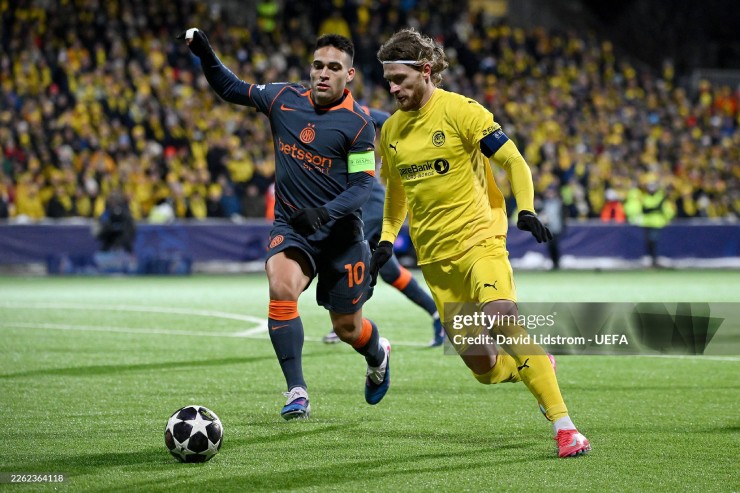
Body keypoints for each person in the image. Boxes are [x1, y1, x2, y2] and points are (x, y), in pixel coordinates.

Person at [372, 28, 590, 458]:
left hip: (480, 240)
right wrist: (386, 239)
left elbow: (513, 160)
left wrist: (526, 208)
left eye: (400, 79)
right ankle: (533, 364)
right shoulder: (392, 130)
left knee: (503, 316)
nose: (393, 89)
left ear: (426, 71)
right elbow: (397, 193)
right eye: (388, 81)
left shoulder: (462, 111)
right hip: (436, 260)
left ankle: (565, 427)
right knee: (485, 368)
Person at [179, 28, 391, 419]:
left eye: (333, 67)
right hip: (294, 229)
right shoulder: (283, 98)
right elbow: (231, 88)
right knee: (281, 286)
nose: (323, 73)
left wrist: (325, 212)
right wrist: (205, 53)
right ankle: (297, 391)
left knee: (348, 328)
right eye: (318, 65)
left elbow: (363, 186)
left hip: (342, 237)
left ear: (349, 75)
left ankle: (378, 354)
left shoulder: (359, 124)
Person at [323, 108, 444, 346]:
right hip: (365, 202)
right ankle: (438, 313)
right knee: (390, 272)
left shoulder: (349, 112)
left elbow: (385, 119)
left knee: (347, 256)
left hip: (368, 203)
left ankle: (347, 319)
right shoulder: (324, 121)